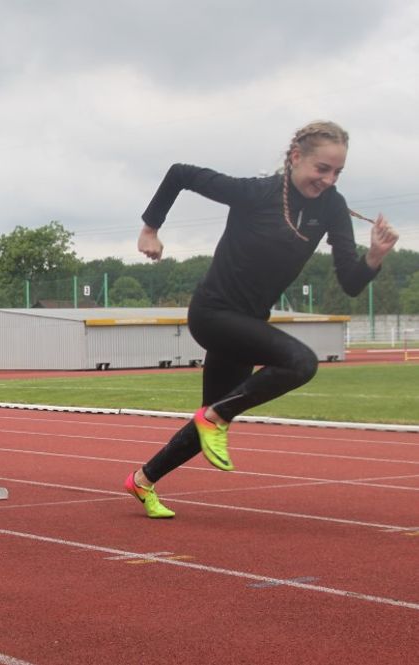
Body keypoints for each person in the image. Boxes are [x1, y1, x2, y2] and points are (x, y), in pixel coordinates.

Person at [125, 120, 399, 519]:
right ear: (295, 158)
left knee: (208, 422)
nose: (328, 179)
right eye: (321, 169)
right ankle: (214, 418)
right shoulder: (255, 192)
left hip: (249, 322)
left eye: (337, 172)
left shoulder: (333, 207)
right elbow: (180, 173)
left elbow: (351, 282)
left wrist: (374, 256)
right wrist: (150, 229)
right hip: (213, 314)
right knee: (300, 363)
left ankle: (142, 480)